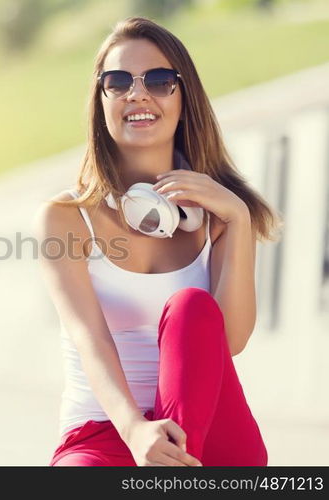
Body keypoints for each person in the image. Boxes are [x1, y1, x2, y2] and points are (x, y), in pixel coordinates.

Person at [33, 16, 282, 466]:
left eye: (161, 80)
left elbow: (230, 342)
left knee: (191, 307)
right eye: (118, 80)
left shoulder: (220, 218)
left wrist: (239, 219)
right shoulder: (65, 218)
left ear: (184, 99)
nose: (138, 93)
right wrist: (136, 431)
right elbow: (90, 340)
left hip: (207, 429)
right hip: (106, 431)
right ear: (101, 101)